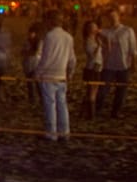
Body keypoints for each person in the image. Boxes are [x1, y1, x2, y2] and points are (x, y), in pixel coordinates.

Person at [32, 9, 77, 141]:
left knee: (50, 105)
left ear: (50, 22)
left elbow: (44, 58)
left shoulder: (49, 37)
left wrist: (38, 72)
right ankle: (65, 131)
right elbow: (72, 59)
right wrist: (71, 72)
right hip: (62, 75)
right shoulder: (69, 37)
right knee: (62, 105)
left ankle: (51, 133)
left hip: (48, 76)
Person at [99, 10, 137, 118]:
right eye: (110, 16)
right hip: (108, 65)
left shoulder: (127, 31)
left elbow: (133, 47)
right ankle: (98, 109)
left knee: (121, 90)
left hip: (123, 65)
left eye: (114, 16)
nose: (112, 18)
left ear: (119, 17)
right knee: (103, 89)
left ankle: (116, 111)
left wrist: (134, 63)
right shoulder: (105, 32)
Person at [79, 18, 104, 119]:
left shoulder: (96, 39)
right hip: (92, 67)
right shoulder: (88, 40)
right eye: (93, 27)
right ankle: (91, 115)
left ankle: (83, 113)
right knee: (92, 92)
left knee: (91, 91)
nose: (96, 29)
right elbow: (92, 55)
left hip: (97, 66)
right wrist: (98, 46)